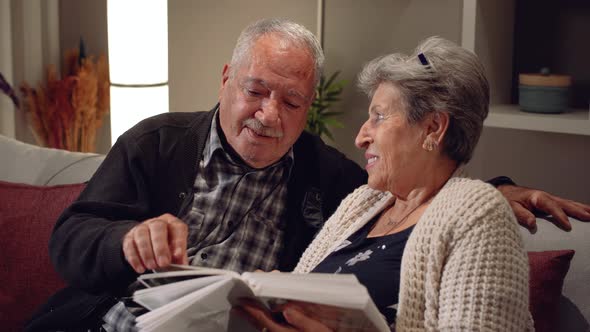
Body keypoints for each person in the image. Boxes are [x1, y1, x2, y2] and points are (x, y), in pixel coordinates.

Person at [27, 19, 589, 332]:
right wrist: (125, 241)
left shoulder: (334, 180)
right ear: (226, 79)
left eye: (292, 101)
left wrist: (494, 192)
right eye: (255, 91)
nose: (270, 115)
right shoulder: (157, 142)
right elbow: (69, 238)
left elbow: (435, 199)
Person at [238, 37, 535, 331]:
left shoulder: (478, 217)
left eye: (378, 117)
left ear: (433, 128)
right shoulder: (362, 203)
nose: (361, 137)